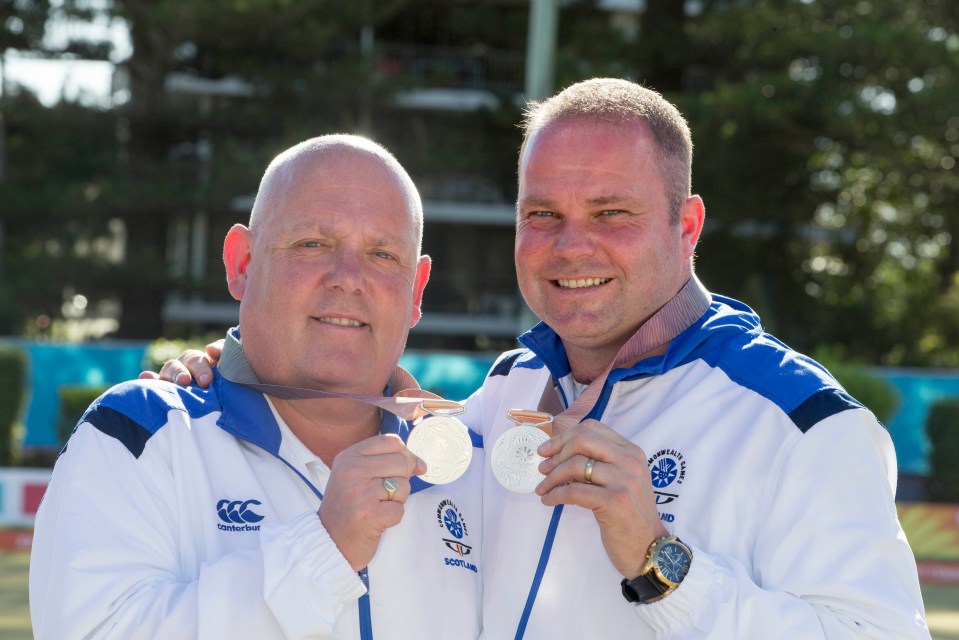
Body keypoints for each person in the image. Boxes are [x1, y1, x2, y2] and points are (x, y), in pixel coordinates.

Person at [156, 79, 930, 638]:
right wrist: (223, 371)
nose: (571, 245)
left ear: (685, 225)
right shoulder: (503, 395)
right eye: (542, 215)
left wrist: (660, 562)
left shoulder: (797, 421)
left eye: (611, 214)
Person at [30, 135, 484, 639]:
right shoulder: (141, 436)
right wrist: (321, 551)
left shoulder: (475, 469)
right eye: (313, 244)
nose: (349, 279)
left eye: (382, 254)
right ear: (242, 263)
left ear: (416, 290)